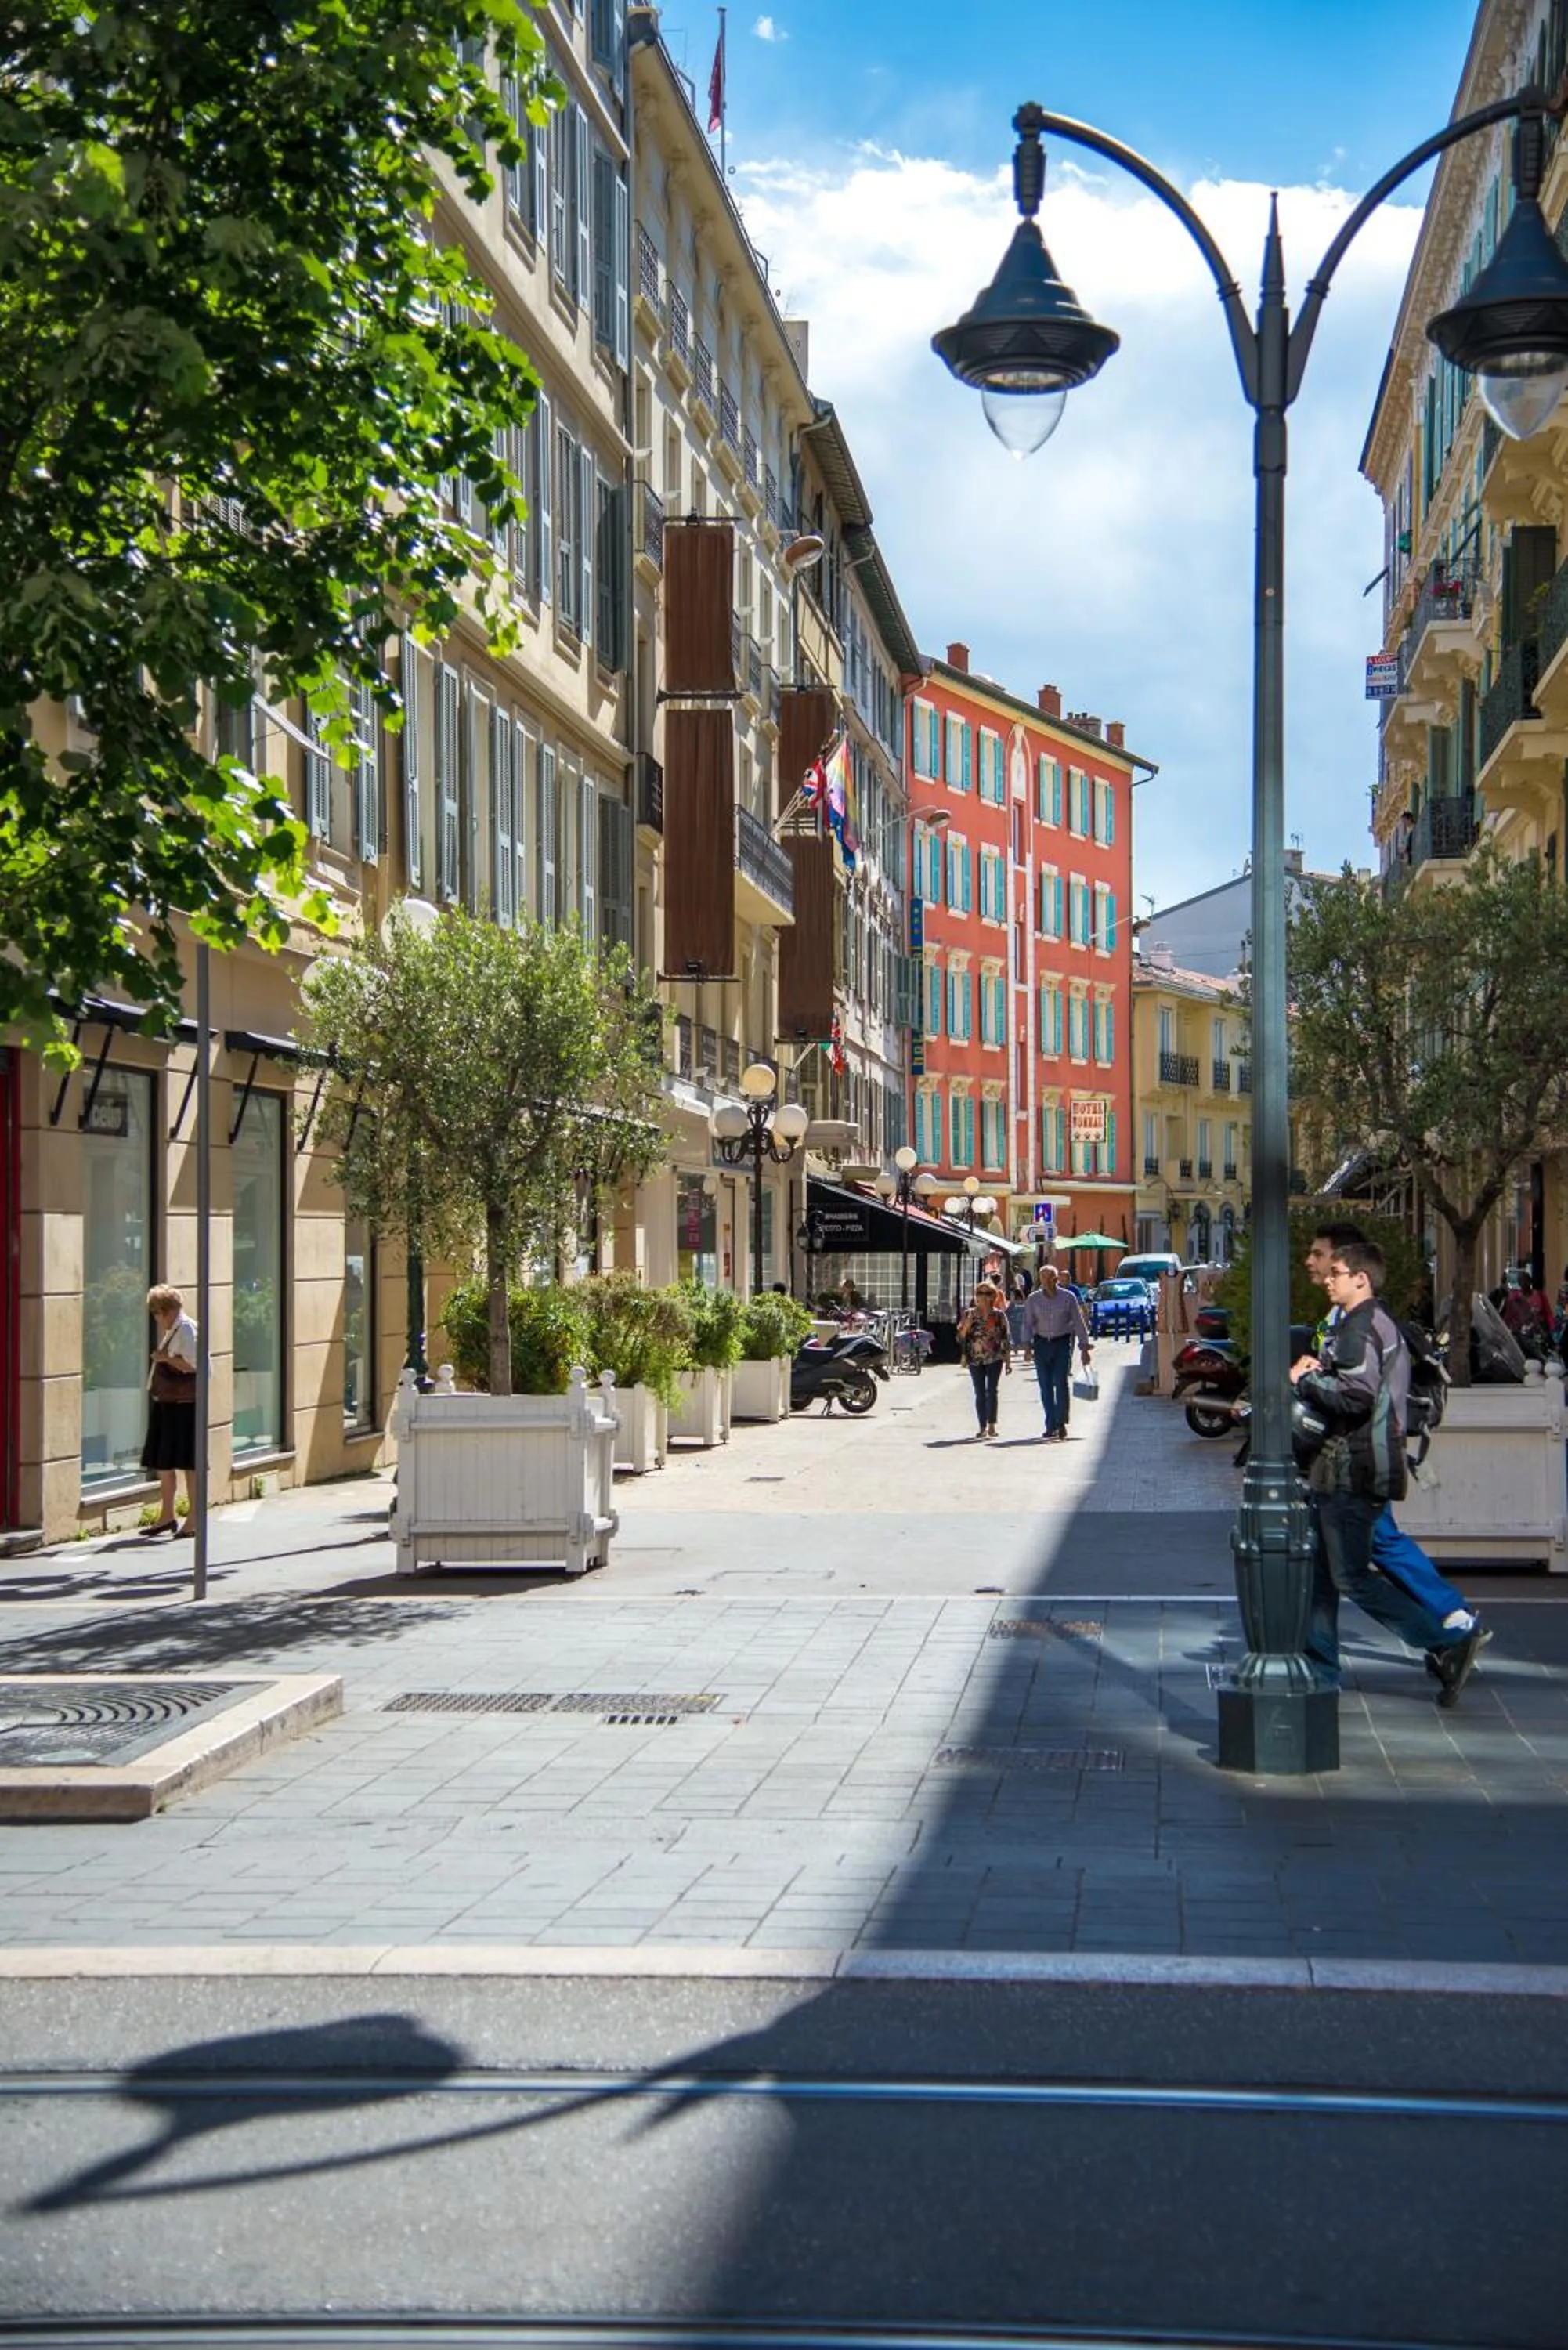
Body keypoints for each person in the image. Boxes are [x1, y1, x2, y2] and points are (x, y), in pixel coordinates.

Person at [1292, 1242, 1489, 1707]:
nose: (1328, 1279)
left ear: (1361, 1279)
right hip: (1342, 1466)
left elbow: (1356, 1396)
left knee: (1352, 1578)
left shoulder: (1364, 1326)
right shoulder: (1363, 1325)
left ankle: (1445, 1642)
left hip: (1354, 1467)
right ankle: (1320, 1668)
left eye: (1337, 1272)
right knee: (1322, 1574)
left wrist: (1305, 1379)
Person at [139, 1284, 199, 1538]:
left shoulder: (186, 1329)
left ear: (165, 1311)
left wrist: (165, 1359)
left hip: (184, 1406)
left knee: (188, 1462)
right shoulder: (174, 1330)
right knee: (164, 1462)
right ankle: (167, 1515)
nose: (156, 1318)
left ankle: (194, 1518)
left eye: (156, 1313)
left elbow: (196, 1365)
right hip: (168, 1404)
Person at [1021, 1264, 1092, 1441]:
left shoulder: (1068, 1298)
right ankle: (1050, 1424)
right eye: (1043, 1277)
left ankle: (1061, 1423)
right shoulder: (1033, 1299)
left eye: (1049, 1277)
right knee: (1045, 1386)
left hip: (1061, 1343)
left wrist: (1084, 1347)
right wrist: (1027, 1347)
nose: (1046, 1281)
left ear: (1056, 1279)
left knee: (1060, 1382)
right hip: (1041, 1344)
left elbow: (1078, 1321)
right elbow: (1028, 1323)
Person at [956, 1278, 1012, 1439]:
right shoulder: (969, 1314)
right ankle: (982, 1427)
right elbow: (961, 1336)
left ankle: (992, 1425)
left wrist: (1008, 1361)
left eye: (987, 1293)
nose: (983, 1297)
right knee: (979, 1393)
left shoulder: (999, 1315)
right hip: (975, 1358)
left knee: (992, 1391)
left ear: (993, 1296)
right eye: (980, 1293)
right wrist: (968, 1323)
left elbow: (1006, 1338)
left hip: (994, 1357)